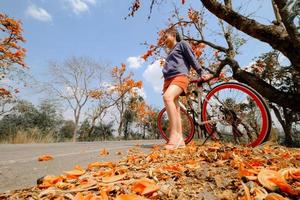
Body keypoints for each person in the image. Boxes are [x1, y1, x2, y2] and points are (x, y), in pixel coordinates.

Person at [162, 27, 213, 150]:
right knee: (175, 107)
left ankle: (173, 136)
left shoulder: (182, 44)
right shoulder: (169, 53)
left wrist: (201, 72)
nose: (164, 40)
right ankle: (180, 139)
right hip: (168, 80)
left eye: (166, 37)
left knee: (167, 97)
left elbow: (192, 59)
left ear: (173, 35)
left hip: (179, 76)